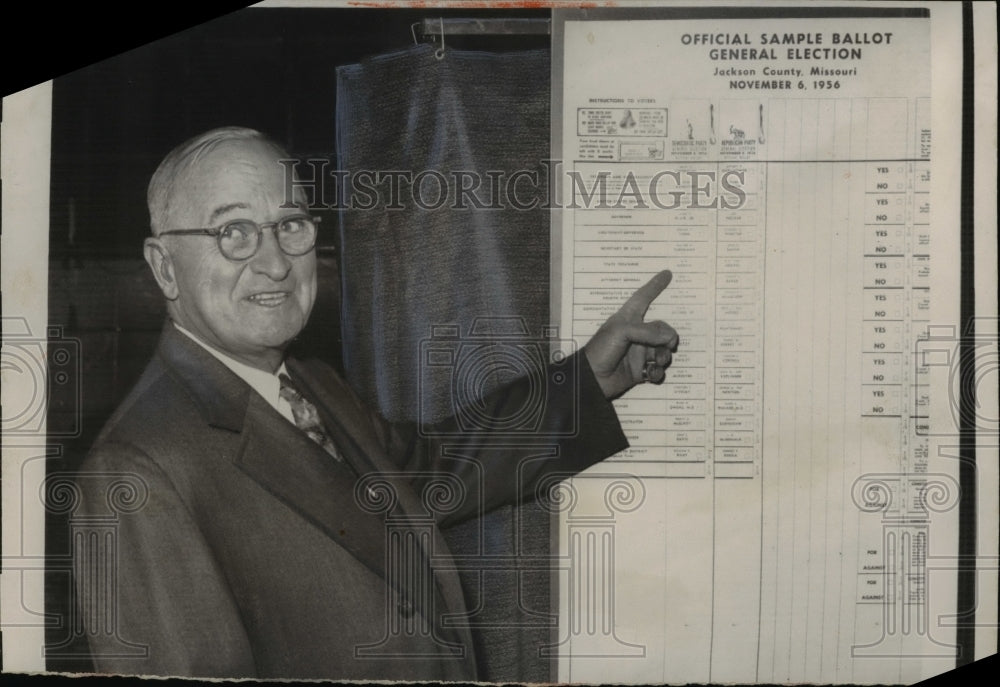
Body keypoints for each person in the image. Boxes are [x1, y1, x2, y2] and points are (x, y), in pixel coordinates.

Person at [72, 126, 678, 680]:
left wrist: (587, 382)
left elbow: (434, 470)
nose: (276, 261)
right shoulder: (135, 470)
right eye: (233, 232)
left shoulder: (310, 383)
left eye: (290, 224)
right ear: (164, 267)